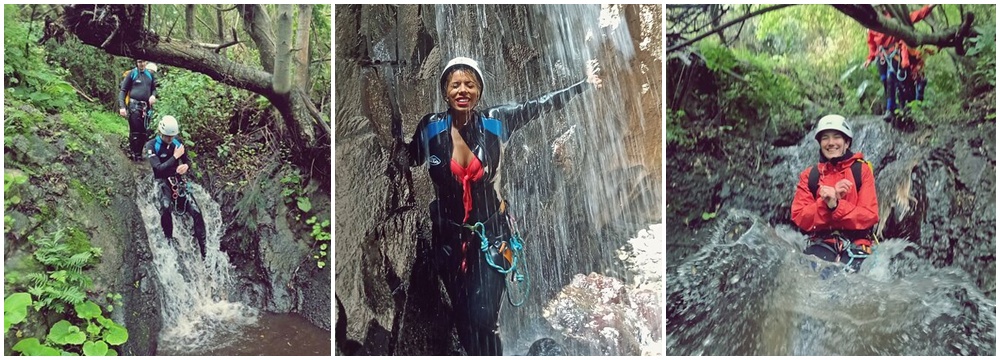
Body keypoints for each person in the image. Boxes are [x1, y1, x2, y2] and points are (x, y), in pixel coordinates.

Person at [401, 57, 601, 355]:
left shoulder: (496, 121)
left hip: (491, 236)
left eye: (470, 84)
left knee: (483, 316)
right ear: (445, 92)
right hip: (448, 239)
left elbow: (540, 105)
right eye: (455, 85)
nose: (462, 90)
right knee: (463, 317)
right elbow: (410, 157)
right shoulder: (430, 127)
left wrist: (583, 85)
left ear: (479, 91)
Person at [791, 115, 879, 272]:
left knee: (850, 280)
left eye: (837, 137)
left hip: (857, 243)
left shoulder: (861, 170)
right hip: (822, 242)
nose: (831, 143)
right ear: (820, 143)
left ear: (847, 142)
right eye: (825, 138)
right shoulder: (810, 176)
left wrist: (836, 205)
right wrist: (826, 203)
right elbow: (799, 216)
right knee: (812, 276)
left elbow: (869, 215)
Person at [144, 116, 207, 258]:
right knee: (166, 207)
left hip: (177, 180)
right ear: (161, 132)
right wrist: (175, 157)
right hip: (162, 181)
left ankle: (204, 249)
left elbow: (187, 162)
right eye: (167, 137)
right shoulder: (151, 145)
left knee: (196, 212)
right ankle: (169, 240)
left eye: (172, 136)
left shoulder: (177, 143)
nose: (170, 139)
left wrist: (186, 166)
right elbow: (158, 168)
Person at [863, 4, 935, 122]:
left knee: (892, 78)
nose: (877, 9)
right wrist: (870, 58)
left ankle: (892, 109)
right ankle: (893, 107)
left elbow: (915, 16)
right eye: (875, 8)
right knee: (885, 82)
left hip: (894, 53)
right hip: (881, 56)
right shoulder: (872, 23)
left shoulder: (894, 19)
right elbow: (871, 44)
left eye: (878, 7)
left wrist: (929, 7)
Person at [119, 59, 159, 161]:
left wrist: (153, 96)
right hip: (134, 106)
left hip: (146, 108)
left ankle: (139, 154)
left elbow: (153, 89)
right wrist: (122, 106)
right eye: (139, 62)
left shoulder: (150, 75)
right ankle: (134, 153)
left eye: (143, 62)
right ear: (137, 63)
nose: (141, 64)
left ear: (146, 62)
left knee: (144, 132)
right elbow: (123, 91)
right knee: (135, 132)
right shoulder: (132, 74)